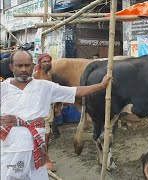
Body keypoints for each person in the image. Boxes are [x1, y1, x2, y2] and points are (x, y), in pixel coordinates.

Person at [0, 49, 112, 180]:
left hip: (37, 150)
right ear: (11, 67)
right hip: (11, 151)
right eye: (19, 66)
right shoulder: (4, 88)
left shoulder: (45, 86)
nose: (24, 69)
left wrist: (100, 86)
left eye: (27, 65)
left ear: (33, 66)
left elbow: (76, 91)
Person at [32, 53, 58, 172]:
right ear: (39, 63)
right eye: (45, 61)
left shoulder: (49, 75)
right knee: (43, 135)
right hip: (38, 111)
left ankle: (45, 157)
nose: (47, 63)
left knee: (48, 134)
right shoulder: (35, 76)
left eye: (49, 61)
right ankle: (44, 161)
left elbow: (51, 91)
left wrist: (56, 105)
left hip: (48, 108)